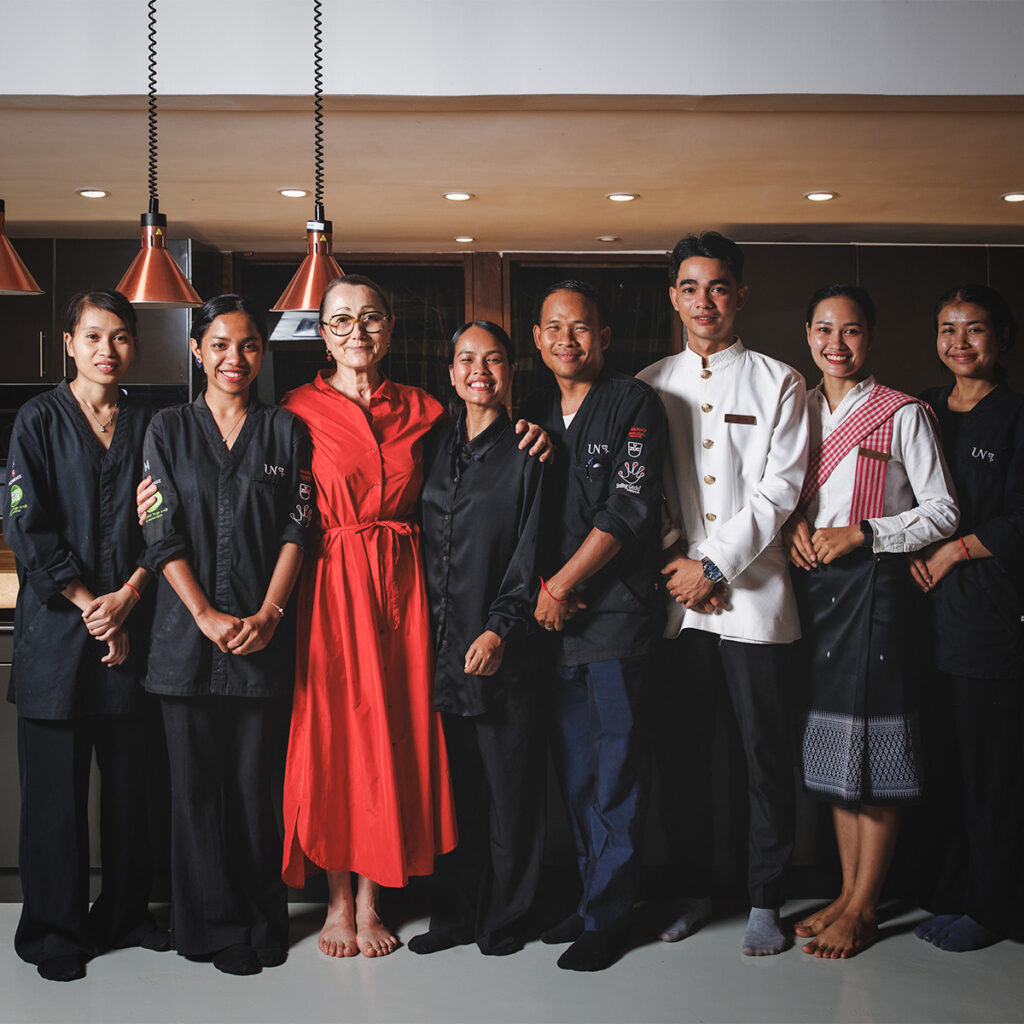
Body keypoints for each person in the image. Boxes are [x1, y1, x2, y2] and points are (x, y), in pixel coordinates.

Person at [637, 231, 808, 956]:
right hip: (678, 605)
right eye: (689, 287)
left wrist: (713, 567)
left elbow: (781, 491)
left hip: (758, 601)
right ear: (674, 295)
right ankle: (693, 888)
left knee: (762, 756)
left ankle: (766, 895)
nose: (703, 301)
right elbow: (645, 490)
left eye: (717, 287)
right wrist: (681, 561)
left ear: (740, 293)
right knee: (684, 756)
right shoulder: (648, 383)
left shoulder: (779, 381)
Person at [783, 284, 958, 959]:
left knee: (874, 744)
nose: (836, 344)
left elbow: (943, 512)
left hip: (878, 591)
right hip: (815, 592)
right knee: (833, 739)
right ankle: (846, 891)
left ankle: (863, 907)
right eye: (824, 329)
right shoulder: (795, 408)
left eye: (851, 331)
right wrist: (797, 522)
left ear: (872, 337)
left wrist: (863, 532)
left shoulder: (903, 412)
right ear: (806, 334)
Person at [141, 294, 312, 976]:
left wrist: (269, 614)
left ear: (260, 354)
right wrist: (204, 616)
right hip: (185, 645)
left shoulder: (286, 432)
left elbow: (301, 527)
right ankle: (210, 929)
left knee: (253, 789)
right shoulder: (167, 429)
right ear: (197, 351)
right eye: (219, 344)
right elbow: (159, 530)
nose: (233, 358)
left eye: (246, 345)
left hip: (262, 639)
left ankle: (262, 920)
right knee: (195, 794)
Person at [2, 289, 164, 982]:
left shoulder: (151, 427)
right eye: (93, 336)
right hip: (57, 641)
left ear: (133, 346)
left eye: (120, 337)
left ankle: (126, 912)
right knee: (55, 801)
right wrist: (91, 605)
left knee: (132, 792)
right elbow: (25, 522)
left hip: (132, 632)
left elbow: (163, 522)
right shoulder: (37, 421)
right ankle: (56, 929)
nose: (107, 350)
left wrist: (125, 600)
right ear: (68, 342)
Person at [520, 280, 666, 972]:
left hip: (613, 620)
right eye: (554, 328)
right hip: (553, 626)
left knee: (615, 773)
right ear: (538, 339)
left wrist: (563, 585)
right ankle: (588, 897)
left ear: (603, 338)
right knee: (575, 774)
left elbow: (628, 512)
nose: (567, 340)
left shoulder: (633, 402)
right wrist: (544, 596)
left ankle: (611, 915)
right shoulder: (535, 413)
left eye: (580, 329)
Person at [409, 320, 546, 957]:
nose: (479, 371)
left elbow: (530, 552)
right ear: (452, 371)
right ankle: (453, 917)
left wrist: (499, 628)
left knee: (509, 794)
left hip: (500, 650)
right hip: (437, 652)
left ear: (512, 372)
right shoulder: (433, 444)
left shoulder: (530, 451)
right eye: (467, 359)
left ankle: (507, 918)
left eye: (493, 360)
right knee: (453, 795)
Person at [911, 285, 1024, 952]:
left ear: (1002, 340)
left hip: (987, 612)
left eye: (976, 330)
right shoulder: (923, 411)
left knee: (992, 772)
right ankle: (948, 888)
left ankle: (994, 905)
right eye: (949, 328)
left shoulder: (1014, 416)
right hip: (923, 616)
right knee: (944, 765)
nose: (960, 341)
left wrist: (955, 549)